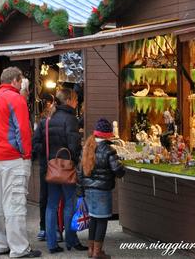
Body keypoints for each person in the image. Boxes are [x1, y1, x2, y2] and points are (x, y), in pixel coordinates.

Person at [0, 67, 41, 258]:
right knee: (15, 203)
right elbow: (23, 130)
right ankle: (19, 248)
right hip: (13, 158)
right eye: (22, 80)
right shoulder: (16, 99)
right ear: (16, 80)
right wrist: (26, 155)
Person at [33, 88, 87, 254]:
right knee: (69, 203)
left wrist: (50, 153)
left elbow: (35, 145)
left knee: (51, 205)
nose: (77, 102)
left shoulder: (46, 120)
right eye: (76, 99)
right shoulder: (71, 120)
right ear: (69, 100)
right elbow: (74, 145)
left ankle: (52, 243)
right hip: (67, 168)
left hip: (50, 169)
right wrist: (75, 158)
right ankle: (71, 239)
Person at [79, 118, 126, 259]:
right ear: (107, 135)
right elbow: (117, 170)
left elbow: (80, 171)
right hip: (102, 191)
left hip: (88, 190)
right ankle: (97, 252)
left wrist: (80, 189)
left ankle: (91, 250)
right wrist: (122, 166)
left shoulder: (87, 147)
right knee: (102, 221)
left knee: (93, 219)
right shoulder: (109, 150)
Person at [32, 93, 56, 241]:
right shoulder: (43, 124)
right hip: (55, 164)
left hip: (46, 163)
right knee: (51, 198)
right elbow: (35, 144)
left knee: (46, 197)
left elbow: (35, 144)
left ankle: (45, 228)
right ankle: (50, 228)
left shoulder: (41, 124)